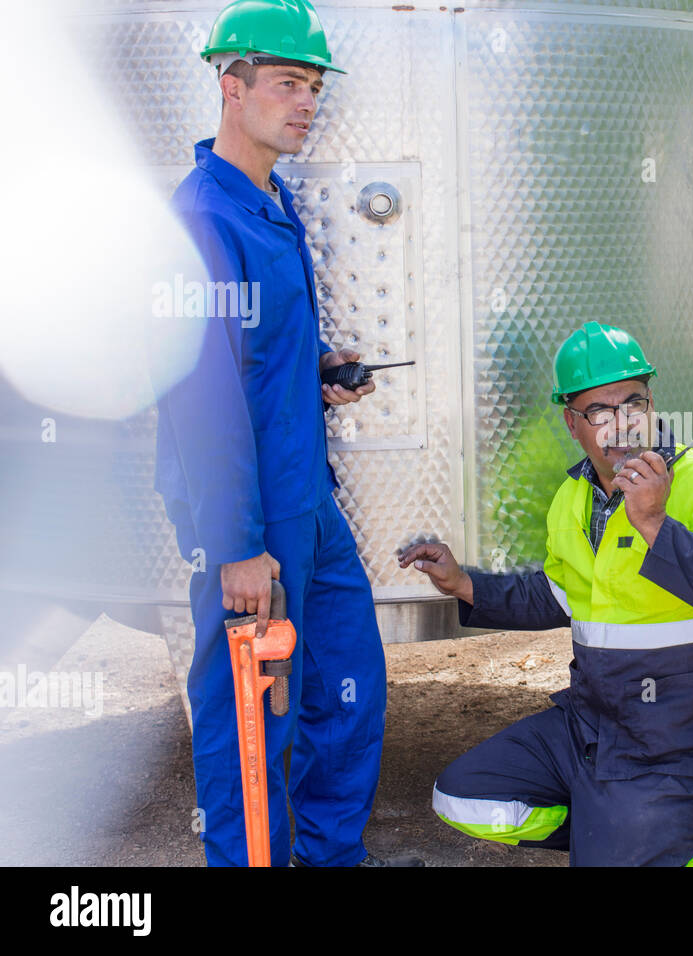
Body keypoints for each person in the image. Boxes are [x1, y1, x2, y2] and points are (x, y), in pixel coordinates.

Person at [399, 322, 693, 866]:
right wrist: (465, 584)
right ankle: (611, 830)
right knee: (463, 798)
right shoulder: (572, 497)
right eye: (600, 412)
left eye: (634, 403)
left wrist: (656, 525)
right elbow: (559, 596)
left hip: (687, 744)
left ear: (652, 405)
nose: (622, 424)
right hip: (593, 726)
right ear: (572, 422)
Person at [153, 0, 419, 866]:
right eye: (287, 84)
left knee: (347, 692)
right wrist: (234, 546)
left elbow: (255, 358)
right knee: (250, 715)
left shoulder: (270, 199)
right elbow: (202, 399)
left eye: (313, 87)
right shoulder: (204, 219)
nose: (307, 102)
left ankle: (330, 854)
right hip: (252, 521)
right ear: (231, 89)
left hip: (310, 504)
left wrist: (316, 373)